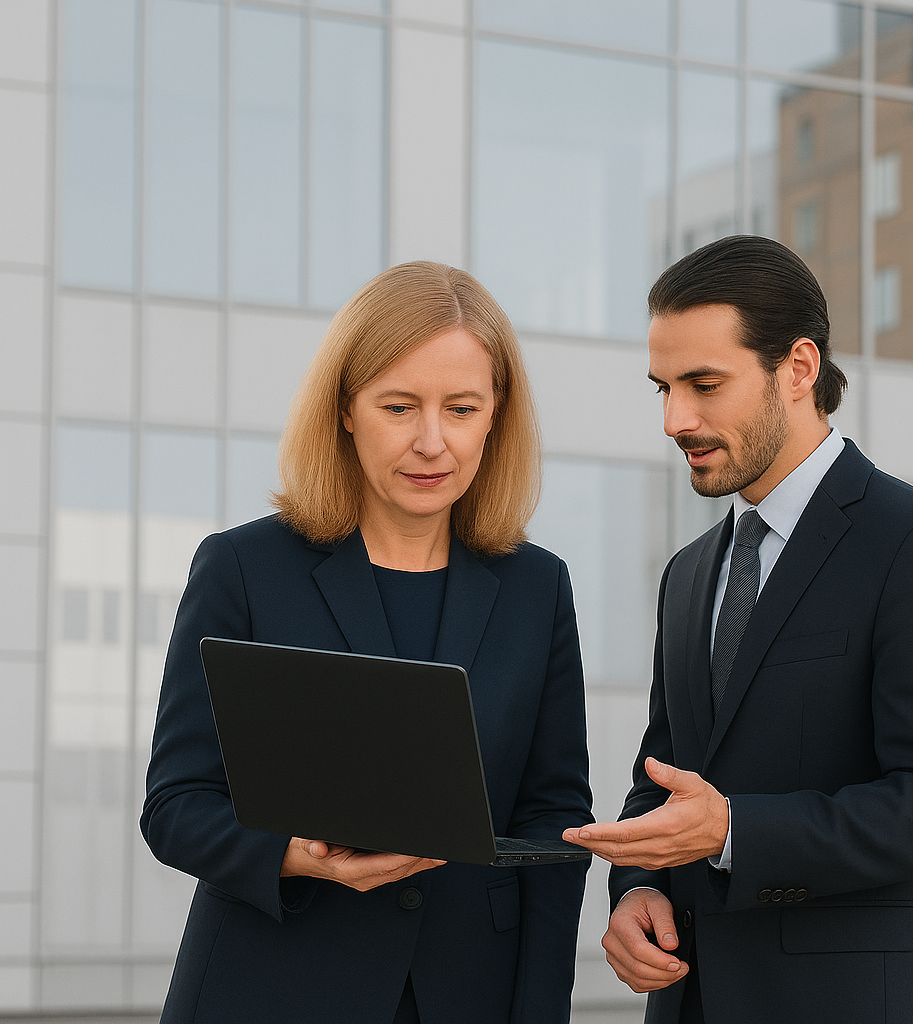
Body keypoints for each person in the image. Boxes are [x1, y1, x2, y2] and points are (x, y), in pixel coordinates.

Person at [563, 235, 913, 1024]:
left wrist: (733, 830)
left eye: (704, 385)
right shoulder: (689, 573)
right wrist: (637, 890)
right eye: (664, 388)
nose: (675, 419)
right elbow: (661, 777)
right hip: (689, 999)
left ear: (799, 368)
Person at [142, 261, 592, 1024]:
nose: (431, 442)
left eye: (461, 409)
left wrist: (542, 1009)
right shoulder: (243, 568)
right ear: (346, 408)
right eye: (398, 406)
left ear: (496, 416)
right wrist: (296, 855)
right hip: (272, 989)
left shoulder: (538, 587)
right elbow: (176, 805)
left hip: (471, 995)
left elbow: (554, 815)